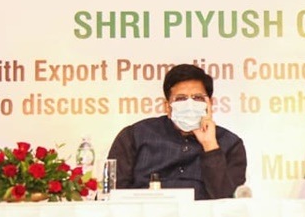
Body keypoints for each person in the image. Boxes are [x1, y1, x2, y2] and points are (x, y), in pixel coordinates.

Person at [106, 63, 247, 200]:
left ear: (210, 104)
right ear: (167, 107)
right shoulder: (134, 137)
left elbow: (228, 203)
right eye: (181, 98)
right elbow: (112, 196)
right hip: (145, 214)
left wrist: (210, 145)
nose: (190, 104)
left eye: (198, 98)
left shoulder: (231, 144)